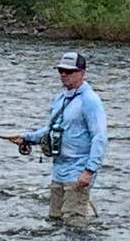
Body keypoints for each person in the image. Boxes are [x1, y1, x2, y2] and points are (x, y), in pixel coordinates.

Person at [13, 50, 107, 223]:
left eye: (69, 71)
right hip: (59, 172)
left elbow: (99, 137)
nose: (64, 74)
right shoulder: (60, 99)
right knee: (54, 221)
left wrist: (89, 171)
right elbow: (51, 129)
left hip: (78, 173)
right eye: (61, 70)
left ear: (82, 73)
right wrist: (27, 138)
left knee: (73, 223)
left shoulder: (90, 101)